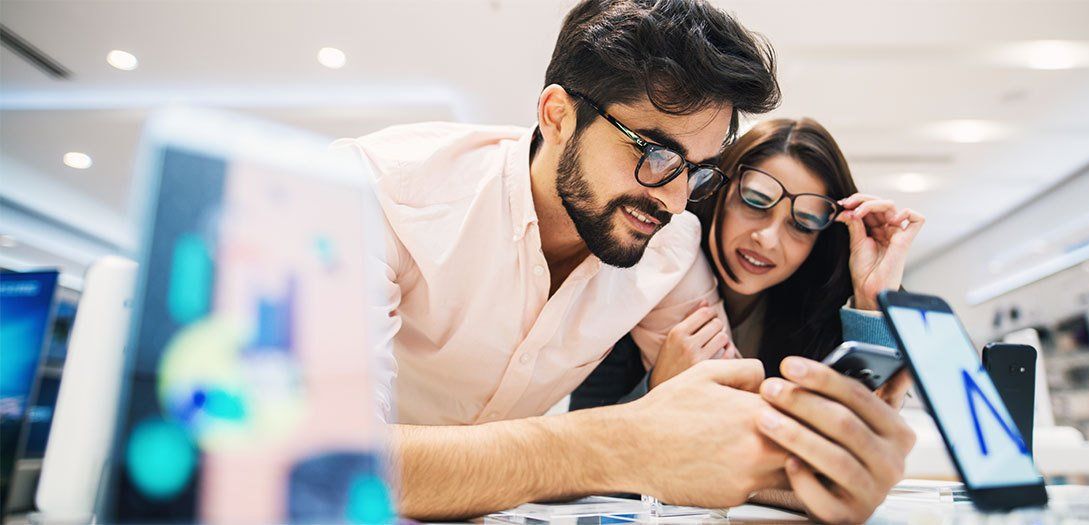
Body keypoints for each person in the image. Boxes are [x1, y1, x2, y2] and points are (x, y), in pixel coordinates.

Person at [336, 0, 910, 521]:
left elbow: (743, 433)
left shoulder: (672, 246)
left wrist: (834, 466)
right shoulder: (377, 193)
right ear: (557, 116)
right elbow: (331, 464)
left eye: (697, 170)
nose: (675, 200)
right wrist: (619, 442)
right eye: (656, 154)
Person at [572, 117, 926, 518]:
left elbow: (852, 463)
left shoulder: (814, 315)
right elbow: (577, 464)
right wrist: (657, 390)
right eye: (755, 202)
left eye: (802, 224)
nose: (769, 238)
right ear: (719, 191)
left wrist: (870, 296)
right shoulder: (647, 283)